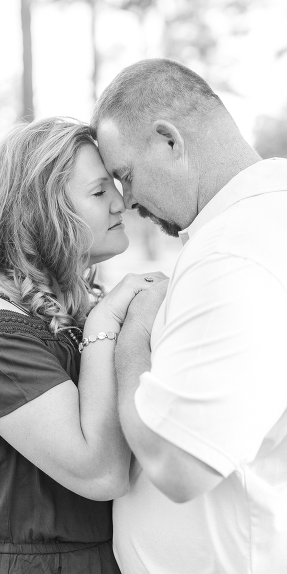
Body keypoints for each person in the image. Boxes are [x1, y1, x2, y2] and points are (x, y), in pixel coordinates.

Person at [0, 117, 167, 574]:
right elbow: (101, 471)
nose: (121, 202)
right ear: (43, 210)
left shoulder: (69, 310)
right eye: (99, 191)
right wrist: (105, 323)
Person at [91, 58, 287, 574]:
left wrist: (134, 334)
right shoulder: (264, 218)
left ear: (169, 141)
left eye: (126, 175)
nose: (128, 200)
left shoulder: (232, 251)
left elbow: (176, 461)